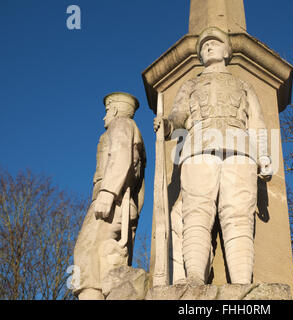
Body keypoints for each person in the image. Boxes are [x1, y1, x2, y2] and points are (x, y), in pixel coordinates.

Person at [154, 27, 272, 285]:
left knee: (239, 215)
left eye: (214, 43)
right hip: (198, 147)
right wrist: (168, 125)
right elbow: (178, 114)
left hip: (240, 149)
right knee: (196, 212)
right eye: (204, 44)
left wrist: (264, 154)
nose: (208, 47)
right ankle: (195, 275)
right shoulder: (190, 84)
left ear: (227, 51)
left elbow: (258, 124)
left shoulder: (244, 85)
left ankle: (242, 282)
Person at [73, 92, 146, 299]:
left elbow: (121, 154)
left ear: (113, 109)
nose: (104, 117)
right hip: (122, 202)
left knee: (87, 254)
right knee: (104, 258)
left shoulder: (121, 124)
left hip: (113, 201)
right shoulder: (131, 130)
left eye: (106, 111)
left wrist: (108, 192)